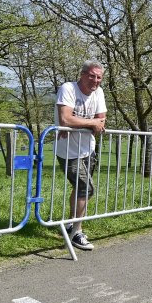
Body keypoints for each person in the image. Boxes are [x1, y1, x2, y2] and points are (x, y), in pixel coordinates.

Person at [55, 60, 107, 251]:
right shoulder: (68, 88)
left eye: (99, 77)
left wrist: (84, 124)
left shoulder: (99, 92)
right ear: (83, 74)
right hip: (68, 150)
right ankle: (77, 232)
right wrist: (91, 123)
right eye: (92, 75)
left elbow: (101, 122)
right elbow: (65, 118)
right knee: (86, 188)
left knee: (79, 189)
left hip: (88, 150)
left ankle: (70, 223)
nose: (95, 80)